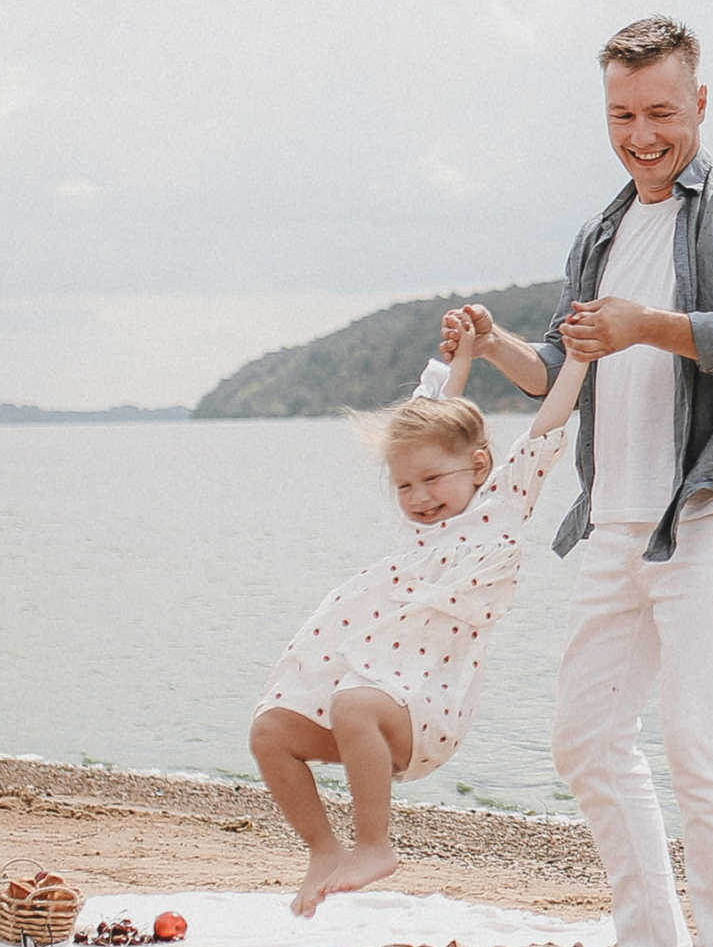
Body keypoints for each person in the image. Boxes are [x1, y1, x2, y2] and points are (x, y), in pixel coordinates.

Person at [452, 15, 713, 947]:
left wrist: (649, 325)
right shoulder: (599, 233)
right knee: (585, 737)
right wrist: (495, 344)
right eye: (622, 114)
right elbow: (569, 377)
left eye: (661, 111)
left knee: (702, 740)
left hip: (710, 511)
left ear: (700, 102)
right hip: (613, 519)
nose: (642, 133)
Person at [251, 318, 589, 916]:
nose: (419, 497)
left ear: (480, 466)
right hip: (372, 703)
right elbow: (430, 410)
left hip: (426, 711)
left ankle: (374, 846)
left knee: (354, 702)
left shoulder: (503, 506)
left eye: (433, 479)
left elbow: (548, 425)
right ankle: (324, 851)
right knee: (271, 731)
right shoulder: (419, 529)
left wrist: (583, 361)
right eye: (404, 484)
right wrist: (459, 351)